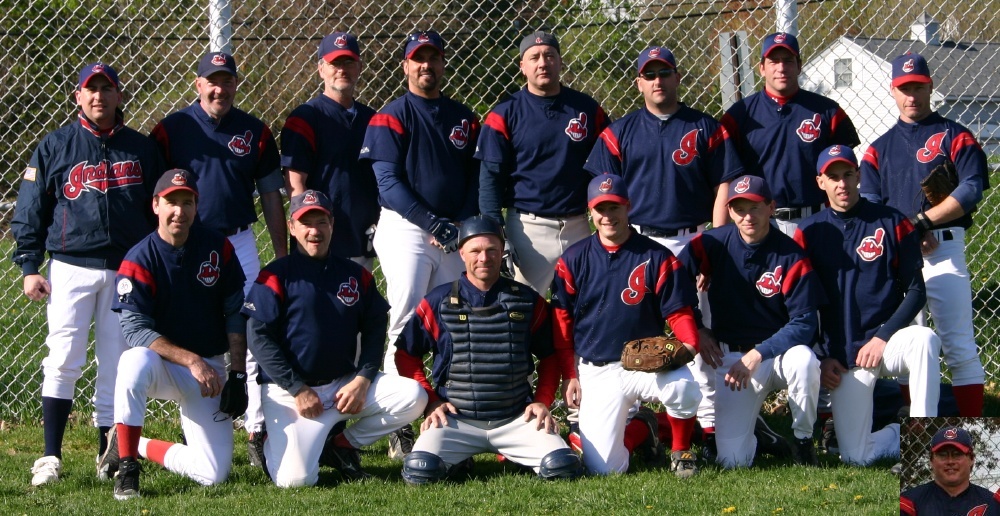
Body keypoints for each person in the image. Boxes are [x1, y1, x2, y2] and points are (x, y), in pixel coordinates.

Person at [585, 45, 744, 457]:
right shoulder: (618, 132)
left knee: (703, 332)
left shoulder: (705, 126)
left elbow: (724, 185)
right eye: (649, 74)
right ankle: (638, 422)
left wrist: (713, 245)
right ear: (638, 82)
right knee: (637, 334)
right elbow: (603, 193)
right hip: (636, 240)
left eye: (665, 73)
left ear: (677, 78)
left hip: (694, 237)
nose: (658, 81)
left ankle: (707, 428)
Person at [10, 62, 163, 486]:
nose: (98, 96)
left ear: (118, 95)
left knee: (116, 364)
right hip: (70, 267)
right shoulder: (56, 145)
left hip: (125, 271)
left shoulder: (141, 148)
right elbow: (30, 212)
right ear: (77, 96)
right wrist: (28, 266)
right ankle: (50, 457)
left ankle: (107, 456)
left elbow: (159, 213)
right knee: (63, 360)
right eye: (90, 89)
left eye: (106, 89)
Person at [151, 51, 287, 464]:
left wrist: (282, 255)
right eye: (212, 80)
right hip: (184, 243)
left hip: (238, 239)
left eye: (227, 81)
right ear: (197, 84)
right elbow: (153, 197)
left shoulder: (256, 131)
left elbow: (269, 195)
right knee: (190, 324)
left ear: (235, 85)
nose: (219, 88)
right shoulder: (170, 129)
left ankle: (257, 426)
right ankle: (195, 414)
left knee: (251, 323)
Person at [242, 190, 427, 487]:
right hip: (289, 394)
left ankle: (341, 445)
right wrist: (297, 388)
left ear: (332, 225)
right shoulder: (275, 275)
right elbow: (259, 338)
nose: (314, 231)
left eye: (322, 222)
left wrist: (363, 378)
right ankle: (268, 443)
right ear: (292, 227)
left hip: (343, 387)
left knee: (413, 397)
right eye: (306, 223)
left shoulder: (354, 275)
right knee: (294, 482)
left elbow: (376, 323)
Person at [360, 30, 480, 459]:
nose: (425, 65)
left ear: (443, 63)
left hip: (452, 228)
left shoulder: (464, 117)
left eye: (433, 57)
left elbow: (474, 179)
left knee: (454, 319)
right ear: (406, 66)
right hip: (407, 227)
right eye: (418, 58)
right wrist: (432, 222)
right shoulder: (391, 115)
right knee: (407, 316)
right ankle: (400, 423)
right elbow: (388, 183)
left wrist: (460, 224)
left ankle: (451, 412)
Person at [393, 216, 582, 484]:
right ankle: (461, 456)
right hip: (456, 421)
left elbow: (550, 356)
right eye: (476, 250)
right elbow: (405, 354)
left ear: (502, 250)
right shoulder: (438, 301)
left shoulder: (527, 300)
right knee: (420, 471)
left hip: (516, 418)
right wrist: (431, 400)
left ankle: (512, 454)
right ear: (461, 253)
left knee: (563, 467)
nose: (484, 257)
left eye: (492, 249)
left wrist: (542, 401)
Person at [99, 169, 248, 499]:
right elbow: (135, 329)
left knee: (213, 474)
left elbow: (236, 311)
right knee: (133, 362)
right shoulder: (140, 257)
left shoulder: (217, 247)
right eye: (171, 202)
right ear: (155, 205)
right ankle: (127, 469)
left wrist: (237, 373)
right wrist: (191, 360)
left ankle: (137, 444)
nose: (179, 210)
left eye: (187, 202)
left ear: (196, 207)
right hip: (165, 366)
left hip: (208, 370)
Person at [860, 52, 989, 417]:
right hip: (899, 257)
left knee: (959, 345)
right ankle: (912, 419)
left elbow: (971, 189)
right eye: (904, 88)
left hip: (943, 251)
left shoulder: (954, 135)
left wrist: (920, 223)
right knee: (908, 343)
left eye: (917, 86)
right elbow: (870, 207)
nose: (911, 95)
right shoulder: (877, 149)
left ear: (930, 86)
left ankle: (973, 428)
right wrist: (907, 233)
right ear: (893, 91)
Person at [795, 145, 941, 466]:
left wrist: (883, 335)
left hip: (885, 342)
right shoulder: (807, 232)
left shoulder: (891, 221)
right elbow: (799, 304)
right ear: (821, 182)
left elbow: (916, 291)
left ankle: (923, 439)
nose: (842, 184)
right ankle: (896, 434)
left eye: (848, 174)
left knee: (925, 340)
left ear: (859, 175)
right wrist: (822, 355)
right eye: (833, 177)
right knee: (855, 457)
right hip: (843, 356)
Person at [551, 173, 702, 477]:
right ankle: (645, 426)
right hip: (597, 369)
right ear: (590, 212)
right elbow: (562, 322)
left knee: (685, 386)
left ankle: (681, 451)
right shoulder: (573, 259)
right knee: (606, 469)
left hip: (645, 365)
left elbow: (679, 311)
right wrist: (571, 374)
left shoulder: (656, 256)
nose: (608, 216)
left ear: (628, 207)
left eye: (615, 207)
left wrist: (690, 344)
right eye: (601, 209)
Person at [678, 175, 823, 467]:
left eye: (755, 207)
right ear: (729, 211)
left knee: (805, 361)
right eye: (739, 208)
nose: (747, 216)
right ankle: (761, 435)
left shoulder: (790, 253)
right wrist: (697, 327)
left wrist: (759, 353)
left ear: (771, 207)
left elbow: (806, 321)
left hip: (776, 356)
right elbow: (674, 281)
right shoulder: (711, 243)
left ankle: (804, 440)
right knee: (732, 461)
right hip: (731, 359)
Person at [476, 30, 608, 295]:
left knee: (587, 307)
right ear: (522, 67)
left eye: (549, 55)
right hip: (527, 229)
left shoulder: (586, 109)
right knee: (522, 312)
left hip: (578, 224)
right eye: (534, 57)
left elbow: (607, 166)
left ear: (560, 62)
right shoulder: (504, 113)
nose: (542, 62)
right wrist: (495, 232)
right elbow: (490, 177)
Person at [721, 32, 860, 234]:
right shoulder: (739, 116)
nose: (781, 68)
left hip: (818, 218)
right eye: (773, 61)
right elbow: (725, 180)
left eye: (788, 60)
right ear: (761, 68)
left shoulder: (828, 111)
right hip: (761, 223)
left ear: (799, 65)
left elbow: (846, 170)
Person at [281, 32, 379, 270]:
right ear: (321, 69)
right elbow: (295, 185)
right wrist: (309, 233)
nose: (341, 69)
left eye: (348, 62)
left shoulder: (373, 119)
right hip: (320, 239)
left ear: (359, 67)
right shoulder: (305, 118)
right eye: (334, 63)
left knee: (356, 303)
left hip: (362, 235)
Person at [900, 426, 1000, 515]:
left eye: (957, 454)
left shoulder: (993, 504)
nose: (950, 461)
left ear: (972, 459)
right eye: (942, 455)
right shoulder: (909, 503)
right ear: (931, 461)